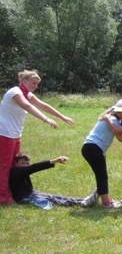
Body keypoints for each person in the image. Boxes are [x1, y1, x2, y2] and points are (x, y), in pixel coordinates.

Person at [0, 70, 74, 205]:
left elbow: (43, 105)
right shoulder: (15, 92)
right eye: (33, 83)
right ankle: (3, 198)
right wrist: (46, 119)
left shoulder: (27, 94)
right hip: (4, 134)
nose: (36, 86)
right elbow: (27, 106)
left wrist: (62, 117)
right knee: (4, 166)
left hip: (15, 134)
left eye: (37, 84)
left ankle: (11, 192)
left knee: (14, 165)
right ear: (24, 81)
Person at [82, 106, 122, 208]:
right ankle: (106, 203)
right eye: (121, 112)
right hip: (94, 148)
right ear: (116, 112)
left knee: (101, 175)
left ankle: (98, 198)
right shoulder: (113, 120)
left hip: (90, 147)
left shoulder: (109, 117)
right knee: (102, 176)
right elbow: (121, 137)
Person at [10, 154, 97, 209]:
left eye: (27, 163)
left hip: (32, 193)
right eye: (23, 163)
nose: (26, 165)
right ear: (16, 164)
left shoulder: (22, 170)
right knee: (54, 201)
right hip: (25, 198)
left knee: (55, 197)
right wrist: (55, 160)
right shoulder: (16, 171)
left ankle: (83, 200)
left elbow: (32, 167)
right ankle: (82, 203)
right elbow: (35, 167)